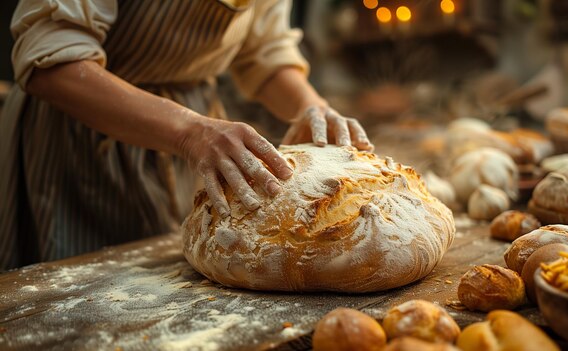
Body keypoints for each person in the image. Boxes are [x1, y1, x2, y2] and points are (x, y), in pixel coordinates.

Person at [0, 0, 373, 270]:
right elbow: (52, 62)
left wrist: (312, 107)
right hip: (84, 134)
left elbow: (264, 53)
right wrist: (188, 132)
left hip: (201, 146)